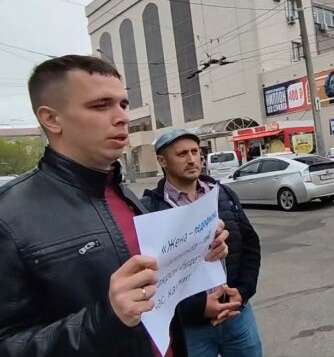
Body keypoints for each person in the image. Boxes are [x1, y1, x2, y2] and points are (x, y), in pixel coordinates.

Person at [0, 55, 230, 356]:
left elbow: (153, 292)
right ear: (52, 119)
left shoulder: (126, 196)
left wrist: (199, 252)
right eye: (101, 105)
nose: (122, 116)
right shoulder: (9, 216)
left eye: (123, 104)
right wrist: (104, 319)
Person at [141, 129, 262, 357]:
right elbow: (152, 279)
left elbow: (249, 244)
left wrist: (243, 291)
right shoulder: (149, 209)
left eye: (195, 152)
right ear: (162, 161)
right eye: (182, 154)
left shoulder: (223, 194)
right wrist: (197, 309)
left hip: (237, 314)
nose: (192, 159)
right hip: (190, 328)